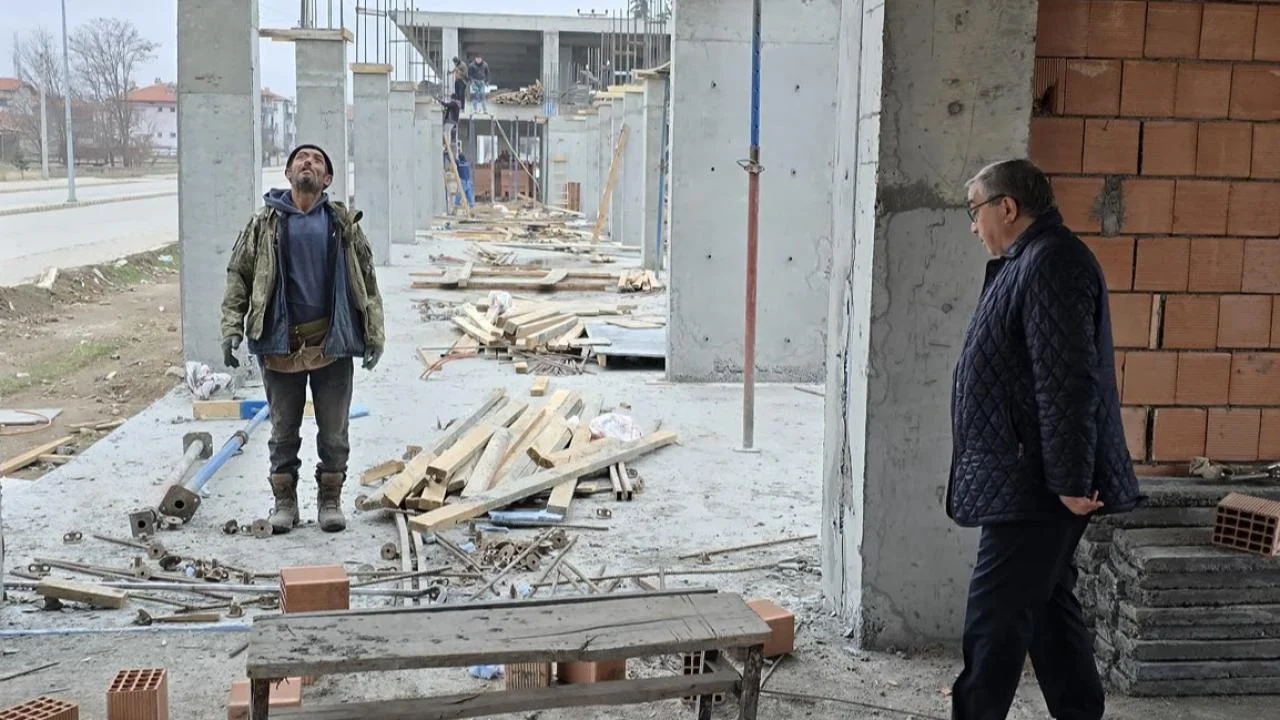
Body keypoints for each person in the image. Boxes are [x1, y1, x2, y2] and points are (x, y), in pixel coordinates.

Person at [947, 158, 1141, 720]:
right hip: (1029, 475)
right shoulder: (1030, 262)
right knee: (1049, 612)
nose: (973, 225)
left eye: (974, 211)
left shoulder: (1051, 263)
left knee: (994, 621)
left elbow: (1069, 382)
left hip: (1035, 484)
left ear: (1007, 207)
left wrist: (1071, 480)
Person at [220, 144, 385, 535]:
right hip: (280, 345)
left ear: (327, 179)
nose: (307, 163)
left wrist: (374, 333)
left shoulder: (342, 225)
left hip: (332, 343)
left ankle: (330, 500)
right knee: (282, 432)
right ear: (288, 173)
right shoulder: (265, 224)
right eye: (300, 159)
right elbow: (239, 274)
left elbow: (367, 279)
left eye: (316, 161)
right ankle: (285, 503)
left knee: (334, 432)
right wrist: (231, 327)